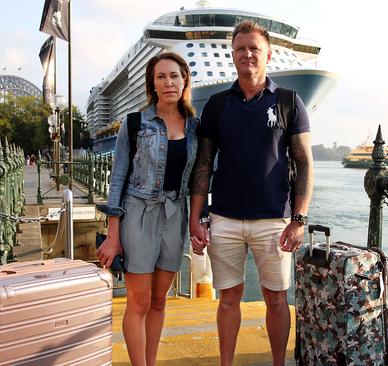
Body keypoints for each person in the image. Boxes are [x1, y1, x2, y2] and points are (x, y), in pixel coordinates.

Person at [189, 20, 314, 366]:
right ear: (232, 55)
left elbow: (304, 165)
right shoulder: (215, 105)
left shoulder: (289, 101)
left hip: (275, 220)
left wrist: (299, 220)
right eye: (241, 48)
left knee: (277, 299)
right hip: (224, 218)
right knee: (227, 299)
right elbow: (203, 165)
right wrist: (195, 218)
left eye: (254, 48)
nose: (247, 54)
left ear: (268, 54)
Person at [96, 52, 198, 366]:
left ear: (184, 80)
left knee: (159, 301)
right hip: (138, 213)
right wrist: (113, 236)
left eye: (174, 76)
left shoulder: (197, 127)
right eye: (161, 76)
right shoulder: (134, 123)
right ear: (152, 84)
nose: (169, 82)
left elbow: (200, 180)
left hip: (175, 215)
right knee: (138, 302)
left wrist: (199, 220)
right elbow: (118, 179)